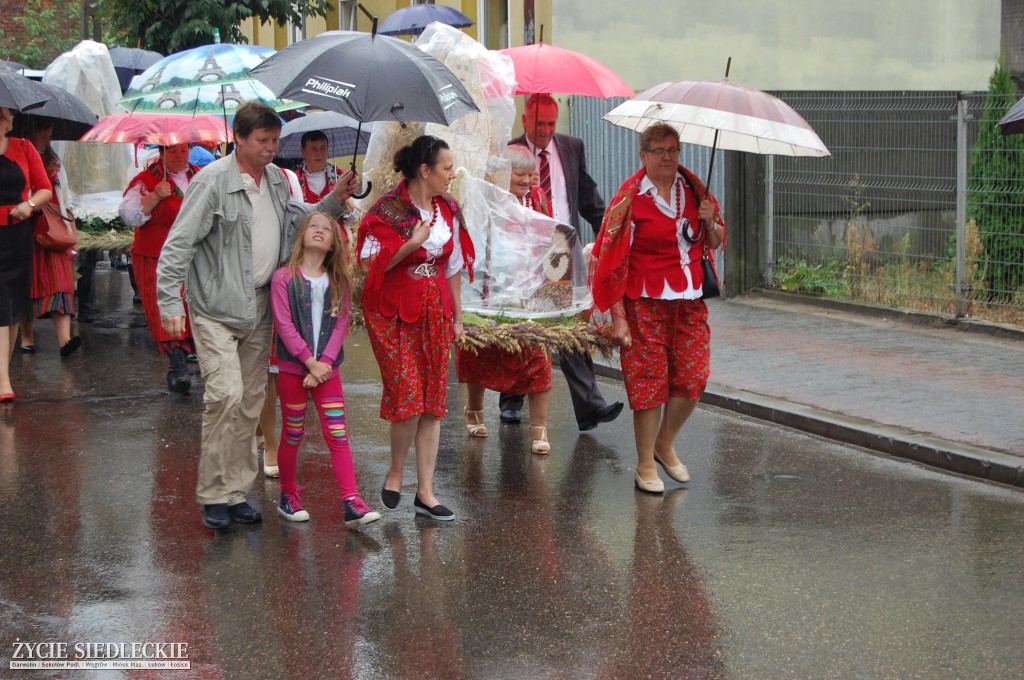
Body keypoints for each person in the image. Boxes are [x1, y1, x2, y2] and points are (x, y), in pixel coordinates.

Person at [157, 101, 360, 530]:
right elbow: (178, 245)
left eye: (274, 141)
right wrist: (170, 304)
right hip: (214, 306)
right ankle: (214, 494)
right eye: (263, 141)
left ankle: (235, 494)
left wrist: (334, 201)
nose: (271, 148)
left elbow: (298, 222)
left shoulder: (278, 180)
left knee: (251, 403)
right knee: (225, 395)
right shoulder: (211, 182)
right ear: (240, 139)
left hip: (260, 305)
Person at [590, 123, 726, 493]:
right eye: (659, 150)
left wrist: (710, 220)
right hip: (644, 302)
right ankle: (645, 463)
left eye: (673, 150)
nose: (668, 157)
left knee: (694, 377)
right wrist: (618, 317)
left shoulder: (694, 190)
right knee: (649, 384)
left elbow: (715, 241)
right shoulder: (630, 199)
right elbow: (612, 261)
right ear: (643, 155)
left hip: (689, 300)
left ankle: (665, 442)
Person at [357, 135, 475, 522]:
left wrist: (457, 319)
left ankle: (425, 492)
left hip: (435, 311)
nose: (451, 175)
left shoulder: (448, 209)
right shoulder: (386, 211)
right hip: (392, 313)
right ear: (424, 170)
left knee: (433, 403)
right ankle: (396, 472)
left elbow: (453, 268)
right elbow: (369, 266)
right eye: (446, 168)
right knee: (407, 395)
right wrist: (411, 243)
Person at [503, 93, 623, 431]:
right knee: (518, 321)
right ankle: (511, 399)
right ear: (525, 120)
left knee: (568, 322)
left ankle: (589, 406)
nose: (545, 130)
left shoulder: (571, 146)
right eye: (539, 123)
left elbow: (586, 196)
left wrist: (608, 237)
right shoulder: (510, 150)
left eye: (551, 124)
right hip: (523, 249)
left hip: (560, 248)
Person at [270, 211, 380, 526]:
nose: (319, 231)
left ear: (333, 243)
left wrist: (325, 364)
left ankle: (351, 501)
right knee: (293, 432)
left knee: (338, 432)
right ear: (302, 235)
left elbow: (341, 323)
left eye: (326, 229)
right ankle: (288, 495)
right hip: (295, 370)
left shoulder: (338, 281)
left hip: (326, 373)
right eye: (313, 225)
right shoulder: (284, 278)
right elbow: (284, 324)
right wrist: (309, 362)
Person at [457, 144, 552, 454]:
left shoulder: (537, 200)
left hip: (528, 295)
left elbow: (551, 235)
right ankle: (474, 409)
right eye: (519, 175)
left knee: (537, 359)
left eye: (530, 174)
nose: (526, 181)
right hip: (490, 290)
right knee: (478, 353)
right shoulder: (487, 200)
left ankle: (539, 429)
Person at [120, 143, 199, 394]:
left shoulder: (201, 176)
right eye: (173, 150)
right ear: (162, 153)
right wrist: (155, 196)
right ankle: (178, 367)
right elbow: (129, 215)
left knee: (194, 308)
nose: (179, 155)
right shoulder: (145, 180)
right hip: (155, 256)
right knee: (163, 308)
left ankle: (187, 358)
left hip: (193, 256)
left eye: (183, 150)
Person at [0, 106, 52, 403]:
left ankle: (2, 374)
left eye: (5, 116)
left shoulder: (23, 147)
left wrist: (29, 205)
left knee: (12, 309)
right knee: (0, 307)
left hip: (17, 235)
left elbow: (44, 189)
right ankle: (3, 381)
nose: (5, 120)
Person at [19, 121, 79, 358]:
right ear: (29, 131)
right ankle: (27, 337)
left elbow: (65, 194)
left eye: (49, 130)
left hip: (53, 229)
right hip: (27, 229)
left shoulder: (55, 161)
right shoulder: (18, 156)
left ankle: (65, 340)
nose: (48, 134)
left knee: (61, 282)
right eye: (42, 129)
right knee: (27, 283)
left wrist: (69, 220)